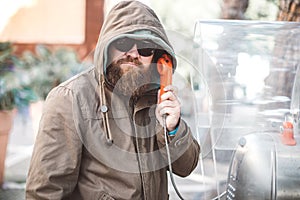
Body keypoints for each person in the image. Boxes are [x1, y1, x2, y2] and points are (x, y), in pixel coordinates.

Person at [25, 1, 200, 199]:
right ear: (107, 47)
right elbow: (45, 191)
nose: (133, 54)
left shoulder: (158, 100)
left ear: (156, 56)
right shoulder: (70, 98)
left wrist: (172, 129)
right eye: (124, 43)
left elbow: (186, 168)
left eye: (144, 48)